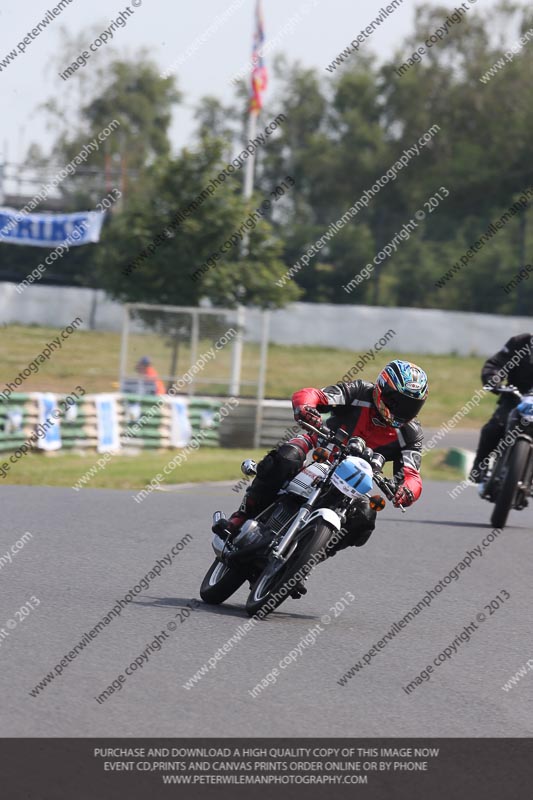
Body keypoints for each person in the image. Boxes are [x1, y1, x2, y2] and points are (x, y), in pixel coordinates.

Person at [214, 359, 428, 554]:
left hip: (356, 480)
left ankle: (308, 559)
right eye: (397, 401)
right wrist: (306, 407)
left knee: (365, 517)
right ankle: (240, 517)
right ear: (382, 389)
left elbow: (412, 473)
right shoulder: (359, 391)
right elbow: (315, 395)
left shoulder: (411, 433)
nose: (403, 410)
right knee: (286, 457)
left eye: (411, 405)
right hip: (321, 447)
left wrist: (408, 491)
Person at [469, 333, 533, 483]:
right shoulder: (521, 342)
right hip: (515, 399)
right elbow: (496, 364)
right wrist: (494, 380)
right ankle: (479, 466)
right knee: (494, 428)